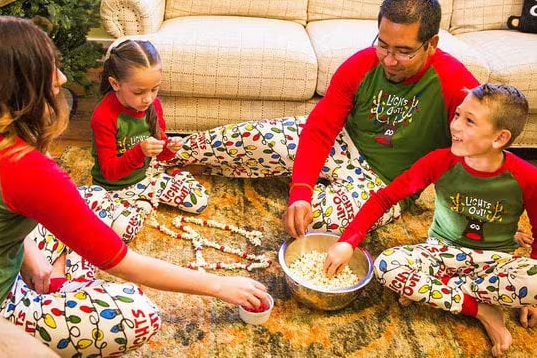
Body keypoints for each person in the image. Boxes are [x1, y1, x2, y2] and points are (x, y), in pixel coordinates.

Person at [0, 16, 268, 357]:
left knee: (98, 200)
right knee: (138, 316)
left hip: (17, 250)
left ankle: (54, 271)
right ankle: (49, 295)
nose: (63, 78)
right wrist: (218, 285)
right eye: (51, 69)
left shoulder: (18, 157)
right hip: (4, 303)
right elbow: (119, 261)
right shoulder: (28, 168)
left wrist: (31, 258)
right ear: (24, 89)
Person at [166, 0, 480, 239]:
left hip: (384, 183)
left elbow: (480, 157)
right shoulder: (361, 65)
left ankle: (214, 166)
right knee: (244, 138)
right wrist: (300, 190)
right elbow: (318, 130)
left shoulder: (457, 86)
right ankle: (165, 156)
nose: (389, 59)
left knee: (312, 222)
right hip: (343, 143)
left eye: (404, 51)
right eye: (383, 44)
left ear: (432, 44)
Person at [323, 83, 537, 357]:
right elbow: (384, 198)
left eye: (469, 121)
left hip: (494, 263)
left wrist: (527, 294)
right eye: (457, 115)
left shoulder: (527, 177)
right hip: (439, 255)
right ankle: (481, 308)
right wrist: (347, 242)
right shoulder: (439, 161)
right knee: (387, 265)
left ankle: (439, 292)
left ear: (499, 138)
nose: (455, 126)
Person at [91, 39, 208, 216]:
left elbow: (161, 154)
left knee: (199, 201)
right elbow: (109, 173)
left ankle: (144, 201)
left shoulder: (153, 106)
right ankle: (141, 206)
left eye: (154, 89)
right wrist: (140, 151)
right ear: (116, 84)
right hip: (112, 189)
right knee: (123, 228)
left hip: (147, 178)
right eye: (139, 92)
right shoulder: (104, 116)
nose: (148, 99)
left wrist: (169, 147)